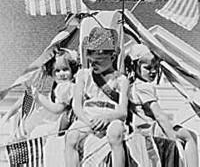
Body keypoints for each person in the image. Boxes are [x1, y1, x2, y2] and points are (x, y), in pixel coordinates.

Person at [124, 43, 199, 167]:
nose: (153, 71)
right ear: (135, 68)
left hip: (141, 128)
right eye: (148, 68)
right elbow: (158, 115)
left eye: (156, 67)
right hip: (150, 129)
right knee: (189, 136)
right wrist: (172, 138)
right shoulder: (143, 87)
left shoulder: (131, 87)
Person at [65, 27, 129, 167]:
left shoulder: (121, 80)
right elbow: (77, 106)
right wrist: (89, 122)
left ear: (112, 57)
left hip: (111, 117)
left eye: (98, 61)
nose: (93, 64)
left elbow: (123, 112)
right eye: (91, 61)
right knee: (71, 137)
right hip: (88, 118)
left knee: (115, 133)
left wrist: (107, 118)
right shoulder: (83, 75)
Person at [32, 48, 79, 137]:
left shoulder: (67, 87)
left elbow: (57, 109)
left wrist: (40, 98)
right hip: (62, 122)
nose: (62, 74)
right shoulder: (61, 87)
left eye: (65, 69)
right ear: (52, 74)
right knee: (37, 128)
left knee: (38, 132)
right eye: (57, 71)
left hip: (65, 124)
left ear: (72, 70)